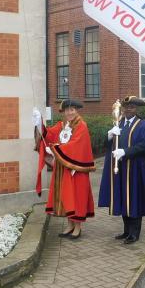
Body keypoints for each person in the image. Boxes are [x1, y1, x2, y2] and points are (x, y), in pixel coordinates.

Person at [33, 100, 96, 240]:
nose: (69, 112)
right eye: (67, 110)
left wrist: (55, 149)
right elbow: (49, 135)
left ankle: (78, 227)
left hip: (76, 169)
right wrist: (39, 123)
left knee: (76, 196)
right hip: (63, 167)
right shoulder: (63, 125)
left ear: (77, 110)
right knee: (66, 196)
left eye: (72, 109)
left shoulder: (81, 126)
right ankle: (70, 225)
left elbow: (76, 145)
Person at [98, 95, 145, 244]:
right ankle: (126, 231)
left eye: (131, 107)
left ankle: (134, 233)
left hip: (136, 169)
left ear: (136, 109)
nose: (128, 110)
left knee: (134, 198)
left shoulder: (144, 125)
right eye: (125, 107)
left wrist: (125, 152)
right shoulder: (119, 123)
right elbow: (109, 145)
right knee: (124, 198)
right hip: (122, 169)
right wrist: (110, 136)